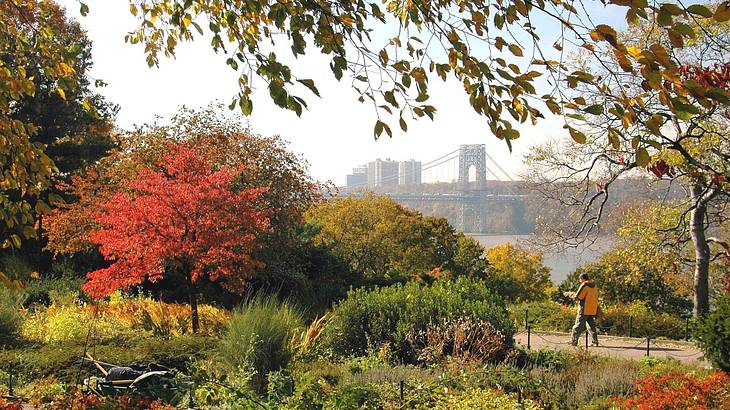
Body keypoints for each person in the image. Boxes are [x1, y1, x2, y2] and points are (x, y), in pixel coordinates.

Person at [564, 273, 599, 346]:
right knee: (591, 326)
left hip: (584, 309)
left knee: (578, 325)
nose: (580, 281)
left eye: (580, 279)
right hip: (592, 309)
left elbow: (578, 297)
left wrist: (570, 294)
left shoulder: (584, 285)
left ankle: (573, 341)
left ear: (582, 278)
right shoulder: (594, 286)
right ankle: (594, 341)